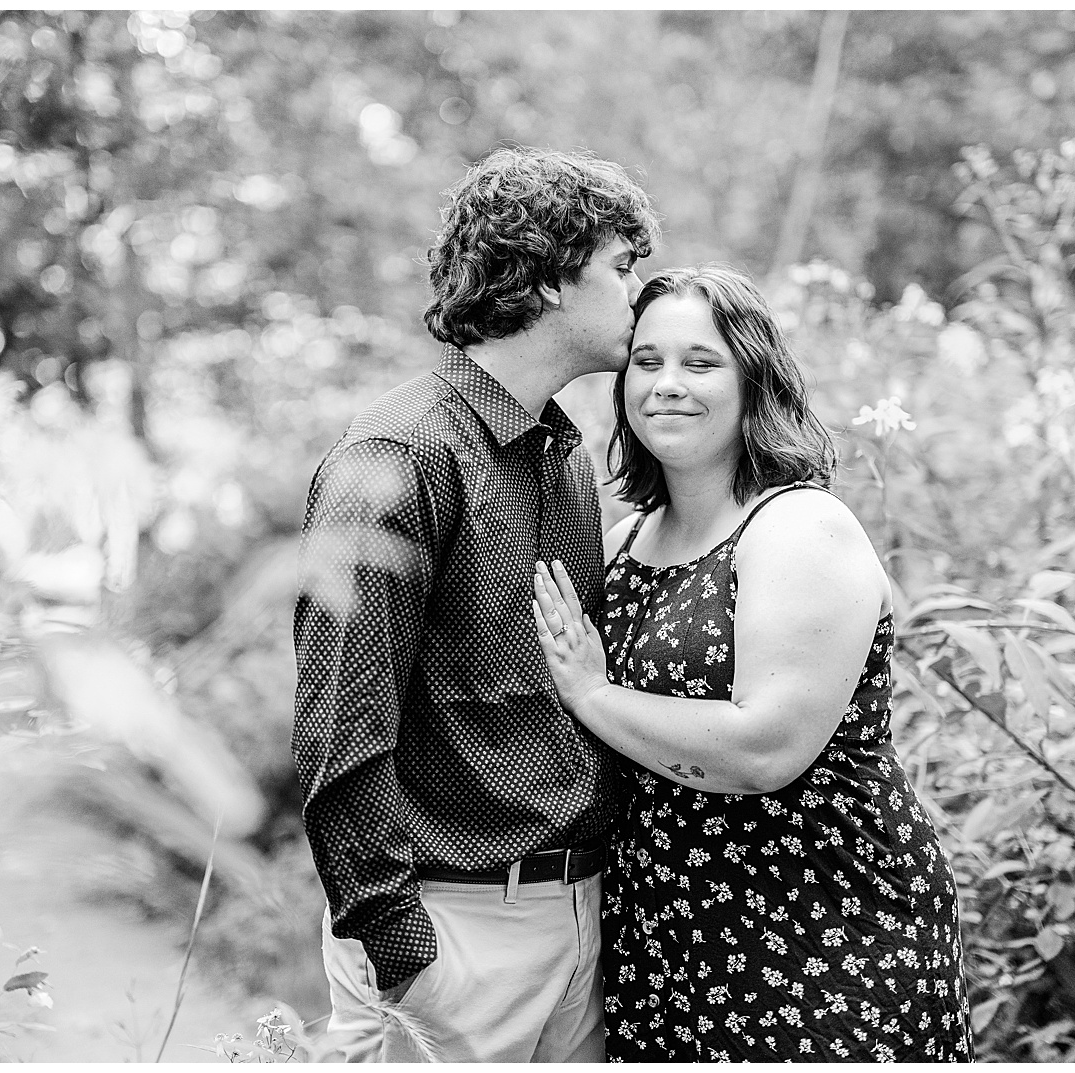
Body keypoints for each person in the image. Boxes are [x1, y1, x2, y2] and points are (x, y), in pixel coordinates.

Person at [531, 264, 971, 1061]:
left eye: (701, 363)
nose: (668, 384)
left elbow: (766, 748)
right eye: (648, 360)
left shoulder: (800, 527)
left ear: (753, 383)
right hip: (668, 949)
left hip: (825, 934)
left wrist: (594, 694)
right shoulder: (621, 545)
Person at [292, 146, 659, 1062]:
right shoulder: (403, 454)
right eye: (622, 267)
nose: (637, 292)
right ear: (544, 281)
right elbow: (338, 730)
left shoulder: (564, 453)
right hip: (454, 933)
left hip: (576, 921)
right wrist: (407, 955)